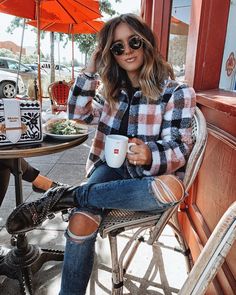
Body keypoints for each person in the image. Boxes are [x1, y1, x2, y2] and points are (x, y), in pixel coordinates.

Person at [6, 13, 196, 294]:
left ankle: (62, 197)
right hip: (110, 170)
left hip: (146, 183)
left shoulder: (177, 92)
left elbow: (180, 146)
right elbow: (76, 116)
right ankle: (71, 201)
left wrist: (149, 153)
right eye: (117, 47)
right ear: (112, 54)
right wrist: (89, 70)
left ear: (146, 43)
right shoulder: (114, 92)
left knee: (171, 187)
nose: (127, 51)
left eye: (133, 42)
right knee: (81, 219)